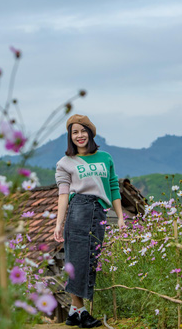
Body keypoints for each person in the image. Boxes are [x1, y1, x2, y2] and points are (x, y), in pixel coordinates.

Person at [54, 114, 125, 328]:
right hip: (79, 210)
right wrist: (58, 223)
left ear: (90, 132)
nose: (79, 135)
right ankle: (81, 312)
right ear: (70, 136)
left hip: (99, 211)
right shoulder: (65, 163)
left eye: (83, 131)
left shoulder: (105, 157)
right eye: (74, 132)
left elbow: (113, 186)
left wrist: (120, 216)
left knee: (91, 259)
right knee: (78, 260)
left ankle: (74, 313)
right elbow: (63, 194)